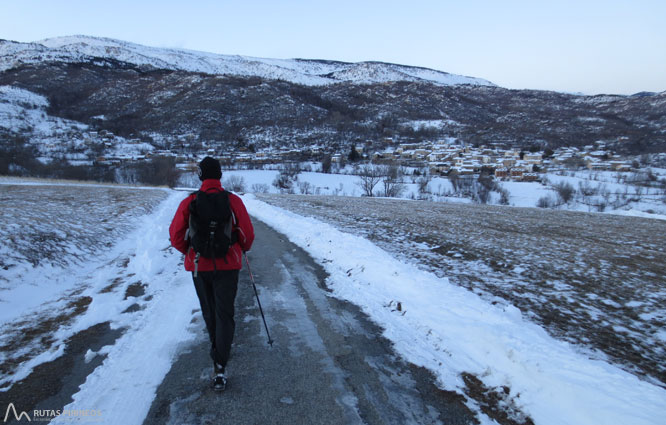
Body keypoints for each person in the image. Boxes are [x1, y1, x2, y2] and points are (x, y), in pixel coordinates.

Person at [169, 156, 254, 391]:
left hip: (199, 266)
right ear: (220, 175)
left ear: (201, 176)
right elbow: (247, 233)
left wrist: (190, 251)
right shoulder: (233, 201)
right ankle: (220, 360)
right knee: (225, 313)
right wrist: (241, 248)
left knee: (209, 311)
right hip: (228, 266)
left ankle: (217, 351)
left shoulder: (190, 202)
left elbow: (176, 235)